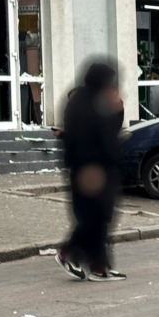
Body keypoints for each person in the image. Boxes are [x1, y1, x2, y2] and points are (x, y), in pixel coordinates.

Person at [55, 62, 127, 282]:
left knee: (102, 217)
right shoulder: (81, 104)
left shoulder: (98, 102)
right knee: (92, 218)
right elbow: (82, 137)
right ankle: (68, 252)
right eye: (108, 81)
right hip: (90, 171)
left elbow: (110, 131)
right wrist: (86, 169)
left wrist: (118, 109)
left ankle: (99, 266)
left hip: (102, 168)